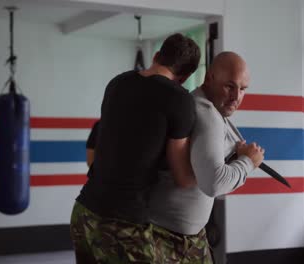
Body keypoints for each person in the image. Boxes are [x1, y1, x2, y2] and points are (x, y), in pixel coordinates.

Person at [70, 33, 201, 263]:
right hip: (123, 223)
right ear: (186, 76)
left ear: (156, 56)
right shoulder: (179, 99)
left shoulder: (117, 83)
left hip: (84, 211)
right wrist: (224, 168)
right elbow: (182, 177)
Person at [149, 52, 265, 263]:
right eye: (229, 86)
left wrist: (236, 157)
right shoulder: (207, 114)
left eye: (243, 89)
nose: (236, 96)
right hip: (169, 240)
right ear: (209, 78)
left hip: (181, 235)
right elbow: (213, 183)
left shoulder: (201, 104)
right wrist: (248, 162)